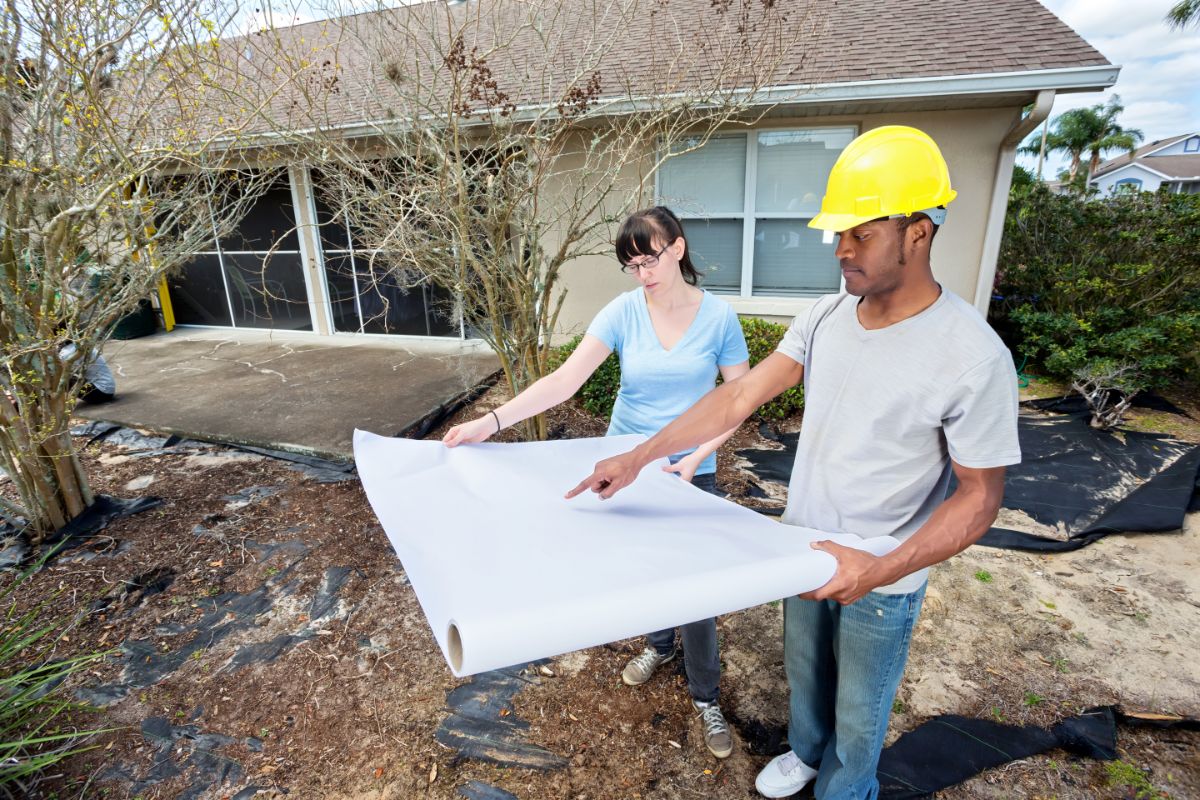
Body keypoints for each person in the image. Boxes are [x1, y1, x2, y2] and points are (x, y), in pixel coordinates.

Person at [566, 127, 1021, 799]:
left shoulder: (972, 356)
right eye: (838, 233)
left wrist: (881, 567)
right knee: (804, 679)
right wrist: (639, 456)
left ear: (918, 232)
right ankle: (806, 754)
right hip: (803, 544)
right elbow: (740, 395)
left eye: (860, 234)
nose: (840, 250)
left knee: (860, 715)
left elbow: (980, 498)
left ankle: (844, 785)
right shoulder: (826, 318)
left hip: (883, 570)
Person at [443, 206, 751, 759]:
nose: (642, 273)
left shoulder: (720, 318)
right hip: (625, 467)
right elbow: (564, 380)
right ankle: (658, 645)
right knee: (643, 569)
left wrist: (696, 458)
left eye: (649, 258)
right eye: (631, 264)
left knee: (698, 587)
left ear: (677, 249)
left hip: (687, 473)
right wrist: (490, 424)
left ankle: (706, 695)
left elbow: (737, 400)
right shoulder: (624, 312)